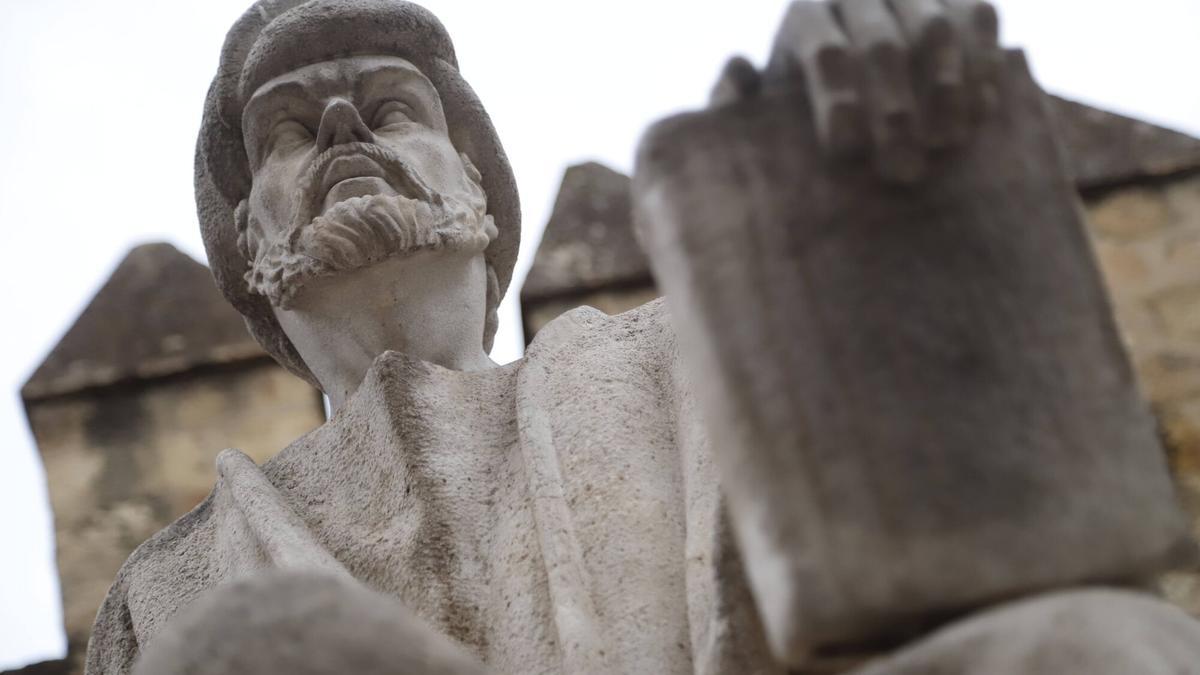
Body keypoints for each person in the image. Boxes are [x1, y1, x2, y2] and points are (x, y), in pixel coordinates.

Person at [87, 1, 1200, 673]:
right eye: (285, 130)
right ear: (246, 236)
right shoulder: (163, 596)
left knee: (1093, 645)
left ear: (474, 182)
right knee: (262, 646)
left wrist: (850, 147)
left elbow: (954, 526)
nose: (340, 129)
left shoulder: (693, 362)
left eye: (392, 108)